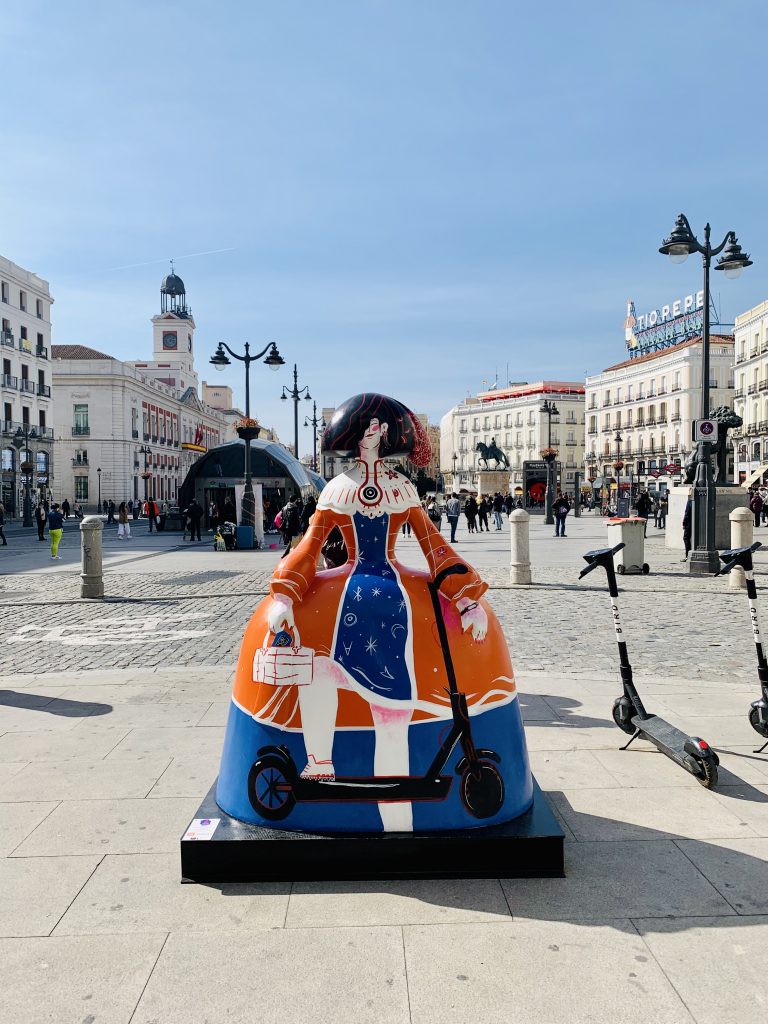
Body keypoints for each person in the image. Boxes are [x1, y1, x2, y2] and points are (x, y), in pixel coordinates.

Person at [238, 392, 524, 834]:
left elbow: (432, 545)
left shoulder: (400, 487)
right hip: (347, 600)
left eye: (382, 427)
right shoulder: (338, 489)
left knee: (393, 714)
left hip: (393, 605)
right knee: (315, 670)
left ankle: (397, 821)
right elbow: (311, 547)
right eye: (370, 426)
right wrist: (286, 595)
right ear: (355, 435)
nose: (377, 433)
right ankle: (319, 763)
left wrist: (466, 597)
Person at [682, 490, 693, 561]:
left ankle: (688, 555)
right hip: (697, 523)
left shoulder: (690, 501)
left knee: (686, 538)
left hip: (689, 523)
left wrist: (684, 522)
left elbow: (687, 513)